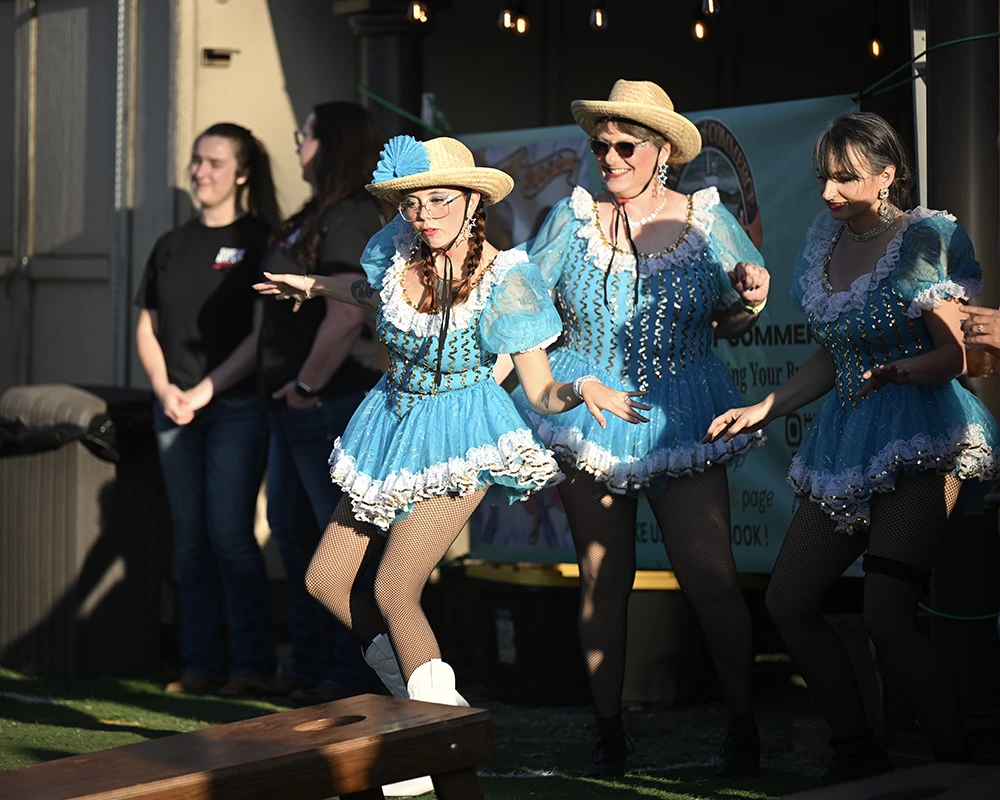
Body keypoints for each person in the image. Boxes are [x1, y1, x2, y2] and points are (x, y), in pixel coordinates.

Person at [256, 135, 648, 796]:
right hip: (388, 425)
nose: (425, 214)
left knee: (393, 589)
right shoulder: (395, 248)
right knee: (327, 580)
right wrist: (312, 283)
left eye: (440, 200)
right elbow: (368, 292)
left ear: (472, 201)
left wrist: (581, 388)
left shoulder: (506, 278)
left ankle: (431, 745)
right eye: (413, 203)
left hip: (462, 434)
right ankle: (432, 708)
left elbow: (540, 388)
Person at [705, 111, 998, 784]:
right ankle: (856, 750)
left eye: (845, 178)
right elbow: (833, 355)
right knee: (788, 603)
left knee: (887, 615)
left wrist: (899, 371)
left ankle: (958, 769)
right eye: (822, 178)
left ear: (887, 174)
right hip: (848, 436)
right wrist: (763, 407)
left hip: (924, 433)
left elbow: (956, 354)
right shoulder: (824, 239)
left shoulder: (924, 236)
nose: (829, 192)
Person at [505, 79, 769, 778]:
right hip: (592, 412)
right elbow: (520, 302)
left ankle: (744, 724)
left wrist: (751, 299)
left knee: (711, 577)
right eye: (602, 146)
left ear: (663, 152)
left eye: (626, 146)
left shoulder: (707, 219)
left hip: (683, 408)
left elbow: (736, 318)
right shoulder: (573, 219)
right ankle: (608, 733)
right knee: (603, 577)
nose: (611, 158)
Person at [135, 123, 282, 695]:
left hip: (235, 408)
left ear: (242, 174)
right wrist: (164, 389)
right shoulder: (171, 244)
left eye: (215, 163)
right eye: (197, 160)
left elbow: (260, 334)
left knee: (229, 534)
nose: (200, 171)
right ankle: (200, 664)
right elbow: (147, 324)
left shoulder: (261, 241)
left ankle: (252, 667)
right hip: (173, 408)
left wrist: (204, 392)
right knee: (191, 537)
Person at [257, 102, 388, 703]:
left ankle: (349, 673)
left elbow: (346, 312)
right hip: (294, 403)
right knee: (292, 531)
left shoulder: (353, 215)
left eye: (305, 134)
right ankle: (309, 666)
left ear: (331, 144)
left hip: (328, 401)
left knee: (336, 544)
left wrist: (306, 389)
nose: (297, 144)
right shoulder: (316, 213)